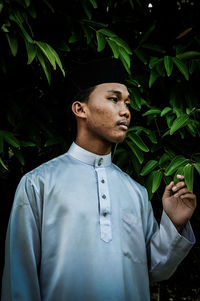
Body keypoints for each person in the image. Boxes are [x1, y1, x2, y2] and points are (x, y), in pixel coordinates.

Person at [1, 57, 197, 301]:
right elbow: (20, 279)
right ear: (80, 109)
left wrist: (174, 225)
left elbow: (154, 270)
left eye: (127, 103)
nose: (125, 111)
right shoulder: (38, 184)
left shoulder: (135, 192)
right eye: (113, 99)